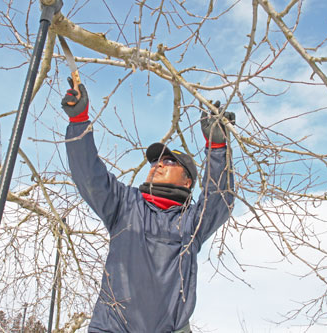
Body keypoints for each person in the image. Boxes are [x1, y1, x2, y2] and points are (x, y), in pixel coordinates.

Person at [62, 78, 235, 333]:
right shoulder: (124, 205)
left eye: (169, 161)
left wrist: (217, 147)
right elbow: (89, 176)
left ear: (188, 181)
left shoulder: (191, 223)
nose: (158, 165)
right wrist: (78, 122)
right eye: (155, 162)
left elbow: (220, 199)